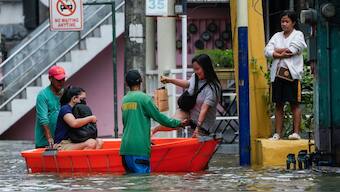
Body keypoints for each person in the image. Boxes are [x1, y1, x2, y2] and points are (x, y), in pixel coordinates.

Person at [120, 70, 188, 173]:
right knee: (143, 185)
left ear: (126, 84)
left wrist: (145, 138)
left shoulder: (124, 100)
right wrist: (178, 123)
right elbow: (160, 118)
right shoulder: (144, 99)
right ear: (141, 81)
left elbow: (127, 124)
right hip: (139, 149)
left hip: (125, 149)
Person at [152, 54, 221, 137]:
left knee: (196, 146)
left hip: (203, 126)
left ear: (206, 67)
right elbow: (188, 84)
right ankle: (153, 130)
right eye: (194, 69)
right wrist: (170, 80)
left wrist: (197, 128)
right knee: (174, 122)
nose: (195, 72)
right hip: (188, 112)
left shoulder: (213, 88)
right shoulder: (195, 77)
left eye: (197, 69)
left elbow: (204, 109)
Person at [264, 10, 307, 140]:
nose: (284, 24)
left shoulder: (298, 35)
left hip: (292, 75)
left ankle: (296, 133)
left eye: (287, 21)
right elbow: (266, 51)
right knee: (278, 104)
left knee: (294, 103)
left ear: (293, 22)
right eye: (282, 21)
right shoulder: (277, 35)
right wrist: (279, 53)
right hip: (277, 75)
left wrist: (276, 51)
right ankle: (277, 133)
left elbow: (292, 50)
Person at [34, 66, 66, 148]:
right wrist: (49, 137)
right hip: (44, 141)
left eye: (63, 79)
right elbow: (43, 118)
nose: (61, 82)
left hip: (61, 140)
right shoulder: (43, 95)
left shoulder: (65, 93)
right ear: (50, 78)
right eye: (58, 80)